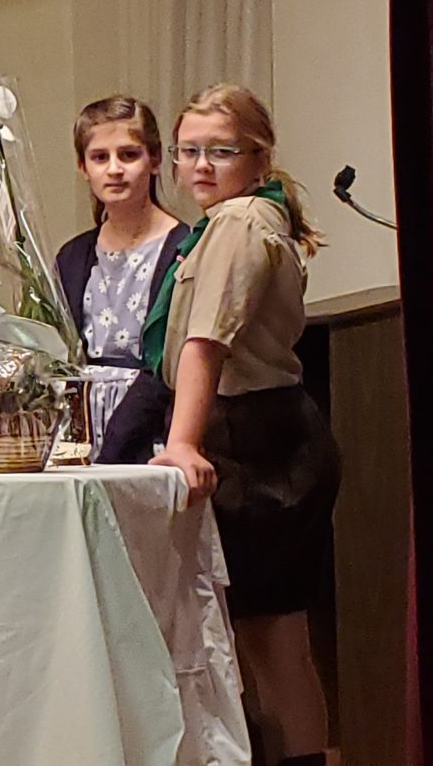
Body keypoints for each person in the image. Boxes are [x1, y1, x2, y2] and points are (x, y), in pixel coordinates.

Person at [145, 83, 339, 766]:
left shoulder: (241, 221)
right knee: (263, 642)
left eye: (220, 151)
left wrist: (182, 443)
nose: (200, 165)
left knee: (273, 641)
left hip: (261, 445)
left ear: (259, 158)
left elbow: (208, 340)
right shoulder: (228, 220)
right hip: (255, 431)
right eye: (188, 150)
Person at [55, 96, 189, 461]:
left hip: (151, 429)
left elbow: (171, 364)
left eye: (129, 155)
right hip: (81, 434)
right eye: (100, 157)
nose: (114, 169)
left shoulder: (183, 249)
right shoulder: (72, 257)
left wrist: (118, 443)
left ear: (155, 160)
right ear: (83, 166)